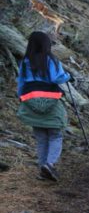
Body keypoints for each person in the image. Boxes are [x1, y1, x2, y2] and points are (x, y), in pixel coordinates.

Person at [16, 31, 71, 182]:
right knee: (55, 135)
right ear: (46, 44)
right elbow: (56, 78)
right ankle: (50, 164)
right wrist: (67, 76)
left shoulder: (25, 62)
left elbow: (21, 82)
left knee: (41, 137)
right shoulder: (51, 60)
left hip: (31, 100)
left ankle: (43, 169)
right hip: (51, 100)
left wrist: (21, 98)